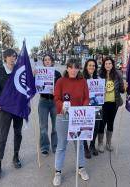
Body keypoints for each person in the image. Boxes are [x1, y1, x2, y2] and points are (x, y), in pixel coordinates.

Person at [53, 58, 90, 186]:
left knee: (78, 144)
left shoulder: (83, 81)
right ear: (67, 68)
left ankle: (81, 168)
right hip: (63, 117)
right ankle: (58, 172)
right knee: (62, 145)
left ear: (79, 69)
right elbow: (56, 98)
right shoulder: (60, 81)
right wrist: (62, 105)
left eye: (76, 67)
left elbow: (86, 98)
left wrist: (83, 108)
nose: (73, 70)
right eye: (71, 67)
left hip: (78, 117)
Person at [0, 49, 21, 181]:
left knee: (18, 133)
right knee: (3, 136)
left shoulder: (19, 70)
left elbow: (25, 85)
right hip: (5, 108)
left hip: (18, 107)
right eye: (10, 56)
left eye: (14, 56)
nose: (13, 58)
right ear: (5, 58)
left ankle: (16, 156)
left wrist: (34, 75)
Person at [98, 56, 125, 152]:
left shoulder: (117, 74)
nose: (108, 65)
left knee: (110, 122)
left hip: (114, 102)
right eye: (106, 64)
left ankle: (108, 143)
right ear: (104, 65)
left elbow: (121, 90)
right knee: (102, 123)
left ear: (112, 64)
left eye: (110, 63)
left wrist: (125, 86)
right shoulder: (100, 74)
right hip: (102, 103)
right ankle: (100, 143)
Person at [36, 54, 61, 156]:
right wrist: (33, 74)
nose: (47, 61)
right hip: (43, 102)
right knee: (43, 127)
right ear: (43, 62)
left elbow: (61, 88)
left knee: (56, 127)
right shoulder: (39, 73)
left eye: (49, 60)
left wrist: (56, 91)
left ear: (52, 62)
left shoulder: (57, 74)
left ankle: (55, 146)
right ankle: (44, 147)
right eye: (45, 60)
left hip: (54, 102)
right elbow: (33, 85)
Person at [82, 59, 100, 159]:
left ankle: (92, 145)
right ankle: (85, 147)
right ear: (86, 66)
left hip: (96, 106)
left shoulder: (98, 78)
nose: (92, 67)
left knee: (96, 126)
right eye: (90, 65)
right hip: (85, 105)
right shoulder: (81, 78)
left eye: (93, 65)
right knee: (85, 126)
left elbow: (100, 92)